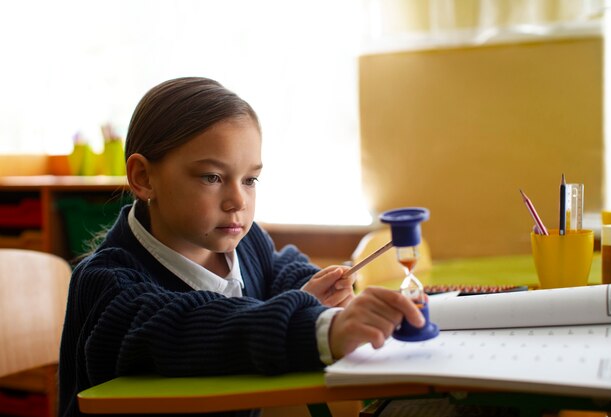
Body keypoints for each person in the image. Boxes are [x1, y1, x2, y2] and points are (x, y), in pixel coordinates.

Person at [58, 77, 424, 417]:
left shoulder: (243, 243)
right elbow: (185, 327)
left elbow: (281, 268)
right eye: (212, 177)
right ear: (143, 177)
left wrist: (318, 286)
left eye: (250, 179)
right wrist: (321, 328)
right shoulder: (107, 283)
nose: (238, 201)